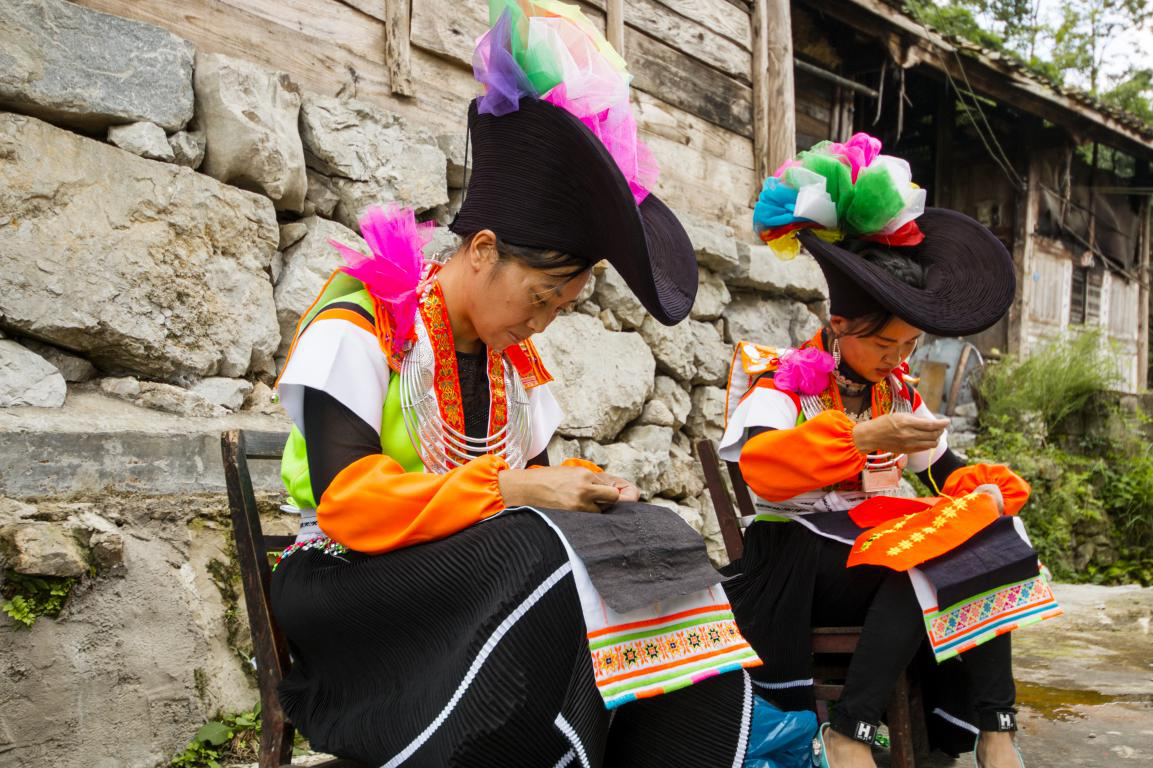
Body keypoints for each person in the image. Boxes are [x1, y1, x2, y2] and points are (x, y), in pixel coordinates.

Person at [269, 2, 769, 765]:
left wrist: (585, 492)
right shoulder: (361, 318)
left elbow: (538, 502)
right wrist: (514, 489)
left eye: (558, 311)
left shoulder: (515, 368)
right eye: (538, 298)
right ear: (482, 249)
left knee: (661, 541)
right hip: (349, 591)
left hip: (478, 583)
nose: (539, 324)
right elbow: (349, 503)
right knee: (540, 559)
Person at [720, 134, 1061, 768]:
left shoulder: (897, 391)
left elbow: (945, 469)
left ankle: (995, 727)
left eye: (909, 346)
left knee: (986, 539)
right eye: (885, 346)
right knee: (923, 560)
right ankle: (851, 730)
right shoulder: (781, 380)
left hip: (872, 554)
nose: (897, 359)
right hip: (797, 561)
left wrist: (983, 490)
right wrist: (862, 439)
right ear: (841, 325)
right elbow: (763, 471)